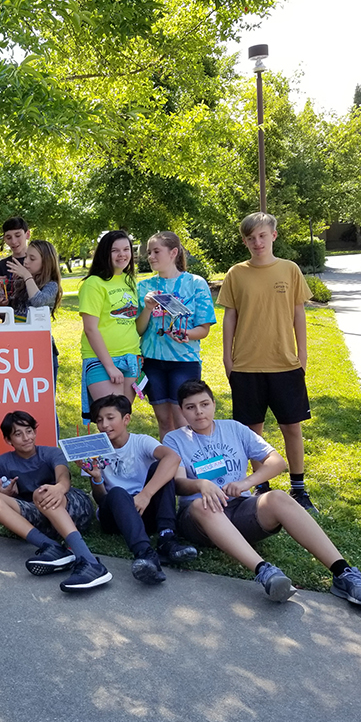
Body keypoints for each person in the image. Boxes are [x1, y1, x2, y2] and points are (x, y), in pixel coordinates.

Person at [164, 380, 361, 606]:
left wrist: (247, 481)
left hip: (239, 508)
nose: (199, 412)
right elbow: (178, 483)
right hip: (200, 518)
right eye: (190, 407)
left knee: (278, 497)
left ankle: (343, 573)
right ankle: (265, 571)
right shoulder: (174, 439)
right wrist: (200, 485)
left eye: (204, 404)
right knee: (202, 505)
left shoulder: (234, 428)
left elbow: (276, 462)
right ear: (182, 411)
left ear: (214, 404)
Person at [218, 212, 317, 513]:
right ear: (245, 241)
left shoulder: (289, 270)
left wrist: (302, 354)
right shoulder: (236, 273)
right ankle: (261, 487)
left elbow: (299, 312)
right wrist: (227, 356)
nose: (256, 242)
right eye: (250, 238)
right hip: (246, 366)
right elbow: (230, 316)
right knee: (252, 433)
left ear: (273, 236)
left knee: (292, 427)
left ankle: (299, 489)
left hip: (285, 364)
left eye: (262, 236)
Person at [0, 411, 110, 592]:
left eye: (29, 431)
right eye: (18, 434)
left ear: (35, 432)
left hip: (72, 507)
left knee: (41, 493)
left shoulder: (51, 453)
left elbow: (63, 478)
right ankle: (51, 547)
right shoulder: (1, 462)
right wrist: (7, 494)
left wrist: (58, 488)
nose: (26, 438)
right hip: (39, 516)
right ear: (9, 440)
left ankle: (90, 562)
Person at [85, 395, 196, 585]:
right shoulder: (93, 449)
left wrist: (146, 495)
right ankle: (144, 554)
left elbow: (173, 458)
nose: (104, 425)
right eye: (99, 420)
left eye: (110, 418)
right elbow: (101, 498)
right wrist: (96, 478)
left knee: (161, 469)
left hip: (145, 510)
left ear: (126, 419)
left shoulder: (141, 442)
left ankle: (167, 538)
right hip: (115, 516)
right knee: (117, 492)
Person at [135, 231, 217, 439]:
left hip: (184, 361)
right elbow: (139, 330)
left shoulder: (195, 283)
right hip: (152, 362)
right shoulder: (144, 286)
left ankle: (188, 469)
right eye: (149, 253)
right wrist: (146, 308)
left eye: (156, 251)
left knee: (183, 421)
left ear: (173, 252)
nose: (151, 257)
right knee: (164, 422)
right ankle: (171, 469)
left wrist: (185, 333)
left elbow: (204, 329)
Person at [78, 230, 142, 419]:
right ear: (105, 253)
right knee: (109, 420)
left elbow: (132, 322)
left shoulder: (129, 280)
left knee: (122, 420)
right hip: (101, 361)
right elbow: (90, 328)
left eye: (126, 249)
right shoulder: (93, 284)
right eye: (115, 250)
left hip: (131, 359)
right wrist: (109, 366)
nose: (122, 254)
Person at [6, 238, 63, 385]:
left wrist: (26, 275)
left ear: (46, 263)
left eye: (32, 258)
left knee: (44, 401)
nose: (26, 262)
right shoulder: (22, 284)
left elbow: (38, 301)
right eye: (26, 257)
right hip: (19, 349)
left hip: (42, 350)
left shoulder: (51, 285)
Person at [0, 216, 30, 282]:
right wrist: (0, 288)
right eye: (9, 237)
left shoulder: (39, 262)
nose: (13, 241)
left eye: (18, 235)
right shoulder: (2, 265)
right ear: (4, 239)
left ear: (27, 234)